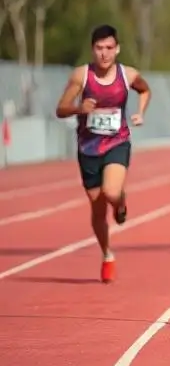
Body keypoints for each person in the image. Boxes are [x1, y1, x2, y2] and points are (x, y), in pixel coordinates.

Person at [55, 24, 151, 283]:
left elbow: (145, 89)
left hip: (117, 142)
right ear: (92, 50)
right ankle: (107, 254)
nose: (104, 54)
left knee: (111, 192)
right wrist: (79, 109)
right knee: (97, 210)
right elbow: (60, 109)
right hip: (87, 149)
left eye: (109, 48)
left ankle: (120, 202)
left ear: (117, 49)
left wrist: (140, 112)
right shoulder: (81, 76)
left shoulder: (128, 75)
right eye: (99, 48)